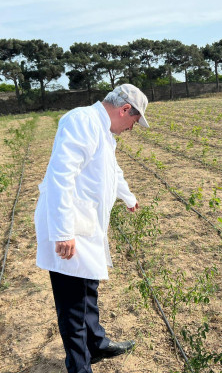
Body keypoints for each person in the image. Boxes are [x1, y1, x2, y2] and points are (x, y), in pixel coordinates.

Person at [34, 84, 150, 373]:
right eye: (134, 122)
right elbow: (61, 175)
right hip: (70, 227)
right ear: (125, 109)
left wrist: (128, 197)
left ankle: (96, 344)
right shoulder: (82, 121)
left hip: (86, 226)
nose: (131, 128)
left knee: (88, 287)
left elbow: (112, 170)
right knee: (72, 304)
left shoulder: (101, 129)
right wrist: (63, 232)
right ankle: (79, 366)